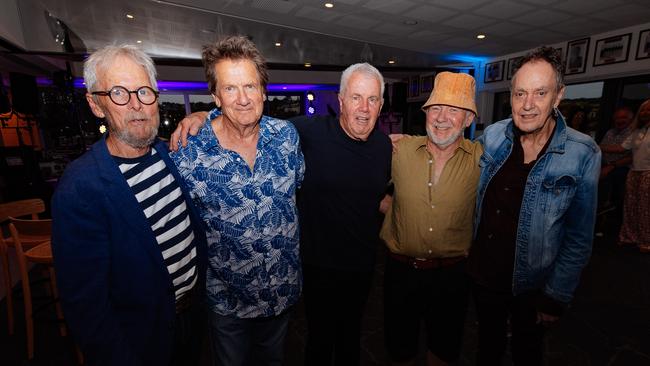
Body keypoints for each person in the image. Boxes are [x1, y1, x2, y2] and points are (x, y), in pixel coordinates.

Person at [170, 62, 392, 366]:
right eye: (356, 97)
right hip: (314, 265)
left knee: (351, 338)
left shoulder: (385, 146)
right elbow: (244, 117)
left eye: (372, 99)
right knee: (319, 340)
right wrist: (200, 116)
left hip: (361, 265)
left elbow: (377, 195)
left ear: (381, 104)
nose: (364, 107)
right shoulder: (302, 131)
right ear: (341, 100)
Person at [51, 45, 207, 366]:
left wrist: (205, 114)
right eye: (119, 93)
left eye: (144, 91)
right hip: (138, 340)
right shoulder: (81, 187)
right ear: (96, 105)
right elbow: (86, 305)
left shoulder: (172, 155)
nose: (137, 105)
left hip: (193, 320)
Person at [170, 36, 305, 366]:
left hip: (281, 293)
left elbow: (296, 188)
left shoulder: (286, 137)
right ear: (216, 96)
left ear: (263, 91)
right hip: (228, 300)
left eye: (250, 86)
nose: (243, 98)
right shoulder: (190, 152)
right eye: (230, 89)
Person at [467, 46, 601, 366]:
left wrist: (556, 296)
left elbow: (579, 238)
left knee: (528, 354)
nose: (527, 105)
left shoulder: (583, 152)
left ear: (558, 96)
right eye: (520, 93)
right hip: (485, 277)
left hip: (533, 287)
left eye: (540, 93)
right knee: (487, 350)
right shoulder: (494, 135)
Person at [380, 71, 482, 366]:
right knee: (399, 349)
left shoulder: (482, 159)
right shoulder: (399, 149)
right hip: (401, 273)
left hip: (452, 276)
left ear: (468, 120)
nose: (442, 117)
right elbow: (359, 179)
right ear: (425, 113)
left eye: (454, 110)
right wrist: (392, 205)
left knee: (444, 349)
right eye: (436, 108)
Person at [602, 100, 650, 252]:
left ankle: (646, 241)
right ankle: (629, 237)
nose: (645, 112)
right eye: (642, 110)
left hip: (648, 172)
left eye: (648, 110)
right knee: (630, 207)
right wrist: (591, 145)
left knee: (645, 208)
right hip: (634, 172)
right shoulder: (637, 132)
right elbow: (619, 148)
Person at [597, 106, 634, 231]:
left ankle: (609, 210)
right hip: (605, 164)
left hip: (622, 168)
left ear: (631, 119)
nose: (620, 120)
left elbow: (628, 154)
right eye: (617, 117)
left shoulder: (634, 133)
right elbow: (599, 149)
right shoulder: (610, 132)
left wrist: (611, 165)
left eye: (623, 117)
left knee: (613, 180)